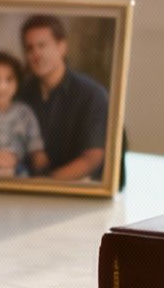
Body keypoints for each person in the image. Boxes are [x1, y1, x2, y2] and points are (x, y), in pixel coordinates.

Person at [17, 14, 111, 181]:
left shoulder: (92, 94)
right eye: (29, 48)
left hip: (77, 191)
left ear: (62, 47)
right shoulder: (22, 93)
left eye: (42, 45)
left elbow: (93, 158)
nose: (36, 54)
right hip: (27, 189)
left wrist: (47, 183)